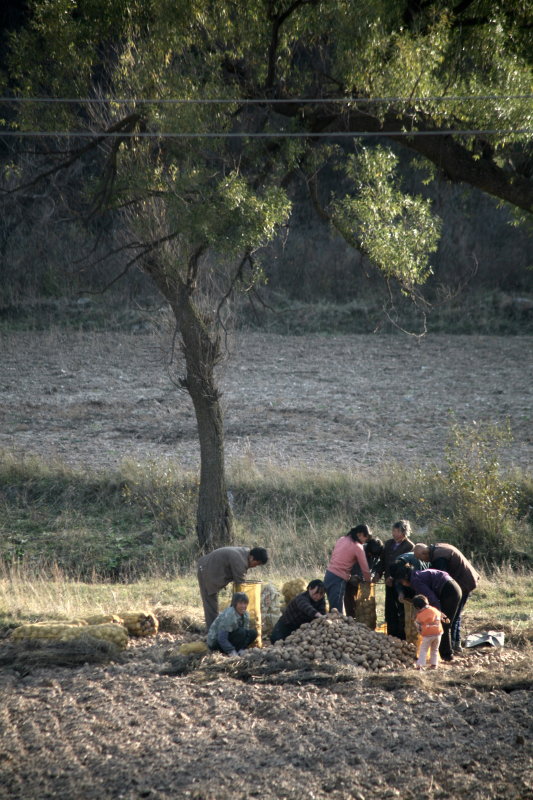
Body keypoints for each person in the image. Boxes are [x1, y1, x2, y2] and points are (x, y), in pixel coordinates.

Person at [413, 542, 480, 652]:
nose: (422, 561)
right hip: (460, 581)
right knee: (453, 614)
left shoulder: (439, 559)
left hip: (463, 582)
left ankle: (454, 644)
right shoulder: (437, 548)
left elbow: (441, 579)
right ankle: (454, 643)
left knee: (452, 615)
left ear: (424, 553)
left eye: (421, 558)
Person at [394, 563, 462, 662]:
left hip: (449, 590)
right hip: (452, 586)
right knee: (444, 623)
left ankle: (447, 656)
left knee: (443, 624)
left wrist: (437, 614)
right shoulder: (416, 575)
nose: (403, 584)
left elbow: (432, 599)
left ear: (405, 577)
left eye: (402, 582)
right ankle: (444, 653)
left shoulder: (415, 581)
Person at [197, 545, 268, 629]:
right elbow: (241, 586)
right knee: (210, 604)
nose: (255, 566)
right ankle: (213, 633)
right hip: (206, 569)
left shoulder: (245, 553)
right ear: (252, 558)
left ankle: (218, 627)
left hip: (212, 568)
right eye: (257, 563)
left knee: (214, 603)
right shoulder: (240, 561)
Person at [375, 520, 415, 639]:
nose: (394, 533)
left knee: (402, 607)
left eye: (397, 531)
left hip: (402, 582)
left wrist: (395, 577)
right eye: (393, 530)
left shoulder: (409, 546)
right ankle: (391, 632)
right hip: (388, 581)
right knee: (390, 607)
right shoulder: (388, 544)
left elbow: (408, 566)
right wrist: (378, 573)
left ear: (404, 532)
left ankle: (402, 634)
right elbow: (383, 561)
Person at [324, 524, 372, 613]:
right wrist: (369, 581)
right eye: (366, 538)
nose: (365, 541)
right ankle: (336, 626)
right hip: (338, 579)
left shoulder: (342, 539)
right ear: (360, 534)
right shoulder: (357, 546)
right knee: (337, 611)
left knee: (332, 607)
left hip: (328, 574)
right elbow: (365, 569)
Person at [344, 537, 384, 618]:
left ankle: (362, 619)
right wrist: (351, 576)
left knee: (364, 605)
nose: (372, 557)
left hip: (364, 582)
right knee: (350, 602)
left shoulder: (376, 553)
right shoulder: (357, 550)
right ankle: (351, 618)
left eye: (374, 556)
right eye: (370, 554)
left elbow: (377, 566)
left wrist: (375, 574)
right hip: (350, 580)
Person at [412, 594, 448, 670]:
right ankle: (434, 665)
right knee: (435, 649)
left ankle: (420, 665)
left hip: (428, 634)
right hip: (438, 633)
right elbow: (442, 616)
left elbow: (418, 625)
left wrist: (420, 632)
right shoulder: (435, 609)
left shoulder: (420, 615)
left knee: (423, 649)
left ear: (417, 607)